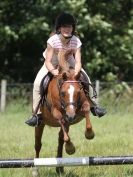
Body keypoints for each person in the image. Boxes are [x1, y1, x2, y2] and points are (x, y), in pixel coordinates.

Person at [25, 12, 106, 127]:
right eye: (64, 27)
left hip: (69, 60)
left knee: (85, 77)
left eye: (69, 27)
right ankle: (36, 115)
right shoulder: (52, 40)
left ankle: (94, 106)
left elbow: (77, 61)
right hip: (52, 62)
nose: (67, 29)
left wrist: (77, 71)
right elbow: (47, 61)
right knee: (38, 83)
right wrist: (53, 71)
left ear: (73, 28)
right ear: (59, 28)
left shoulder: (76, 41)